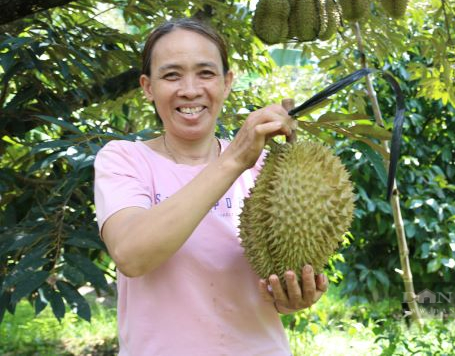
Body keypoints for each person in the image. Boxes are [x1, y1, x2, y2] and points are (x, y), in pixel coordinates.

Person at [94, 18, 328, 355]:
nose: (190, 89)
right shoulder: (124, 159)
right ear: (147, 87)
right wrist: (234, 158)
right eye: (171, 75)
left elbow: (279, 274)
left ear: (227, 82)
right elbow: (131, 254)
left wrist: (292, 296)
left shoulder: (266, 167)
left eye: (205, 73)